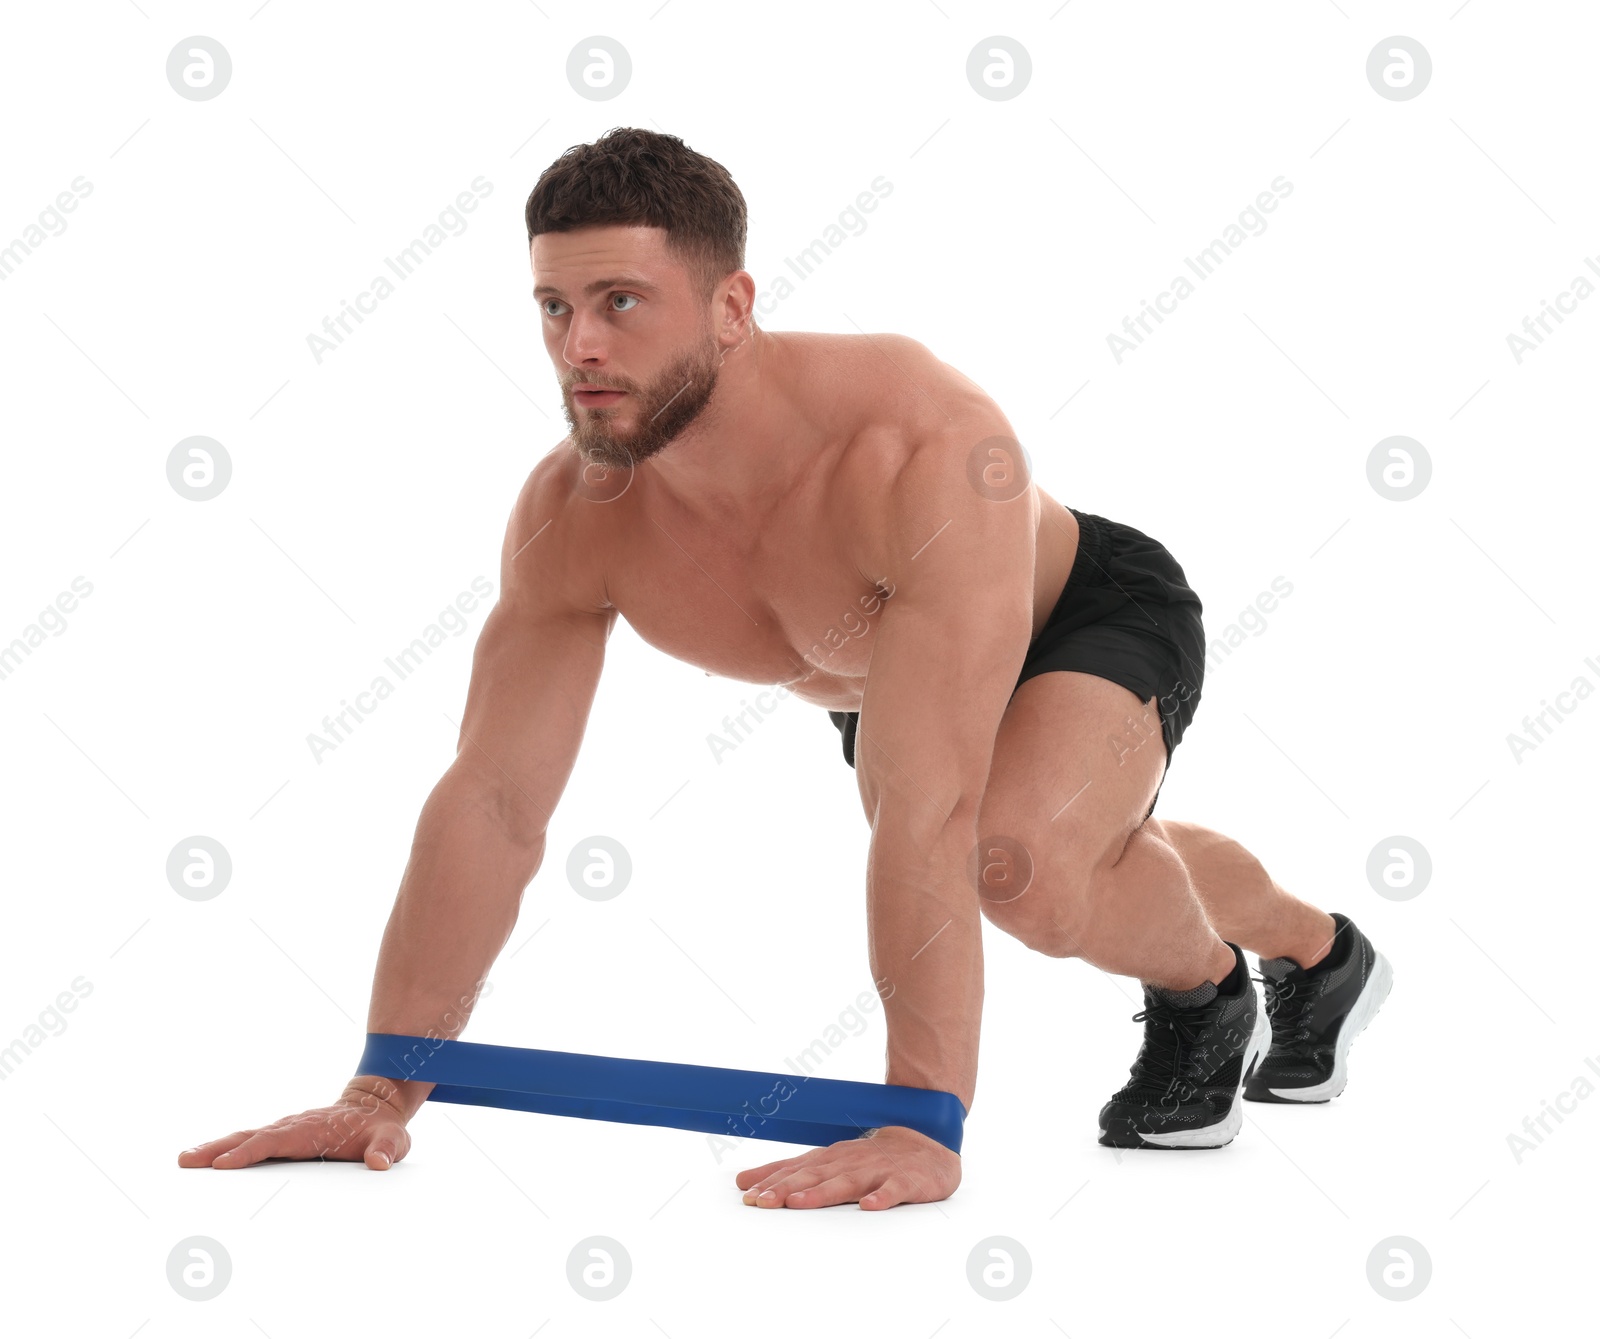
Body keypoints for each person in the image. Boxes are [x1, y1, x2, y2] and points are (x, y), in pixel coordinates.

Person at [179, 127, 1391, 1208]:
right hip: (884, 671)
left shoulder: (914, 442)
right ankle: (1323, 954)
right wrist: (384, 1085)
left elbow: (930, 814)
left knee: (1014, 863)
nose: (578, 346)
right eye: (552, 306)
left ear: (730, 305)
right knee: (1065, 839)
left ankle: (1207, 996)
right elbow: (493, 802)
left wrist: (921, 1119)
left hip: (1077, 608)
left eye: (619, 302)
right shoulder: (577, 510)